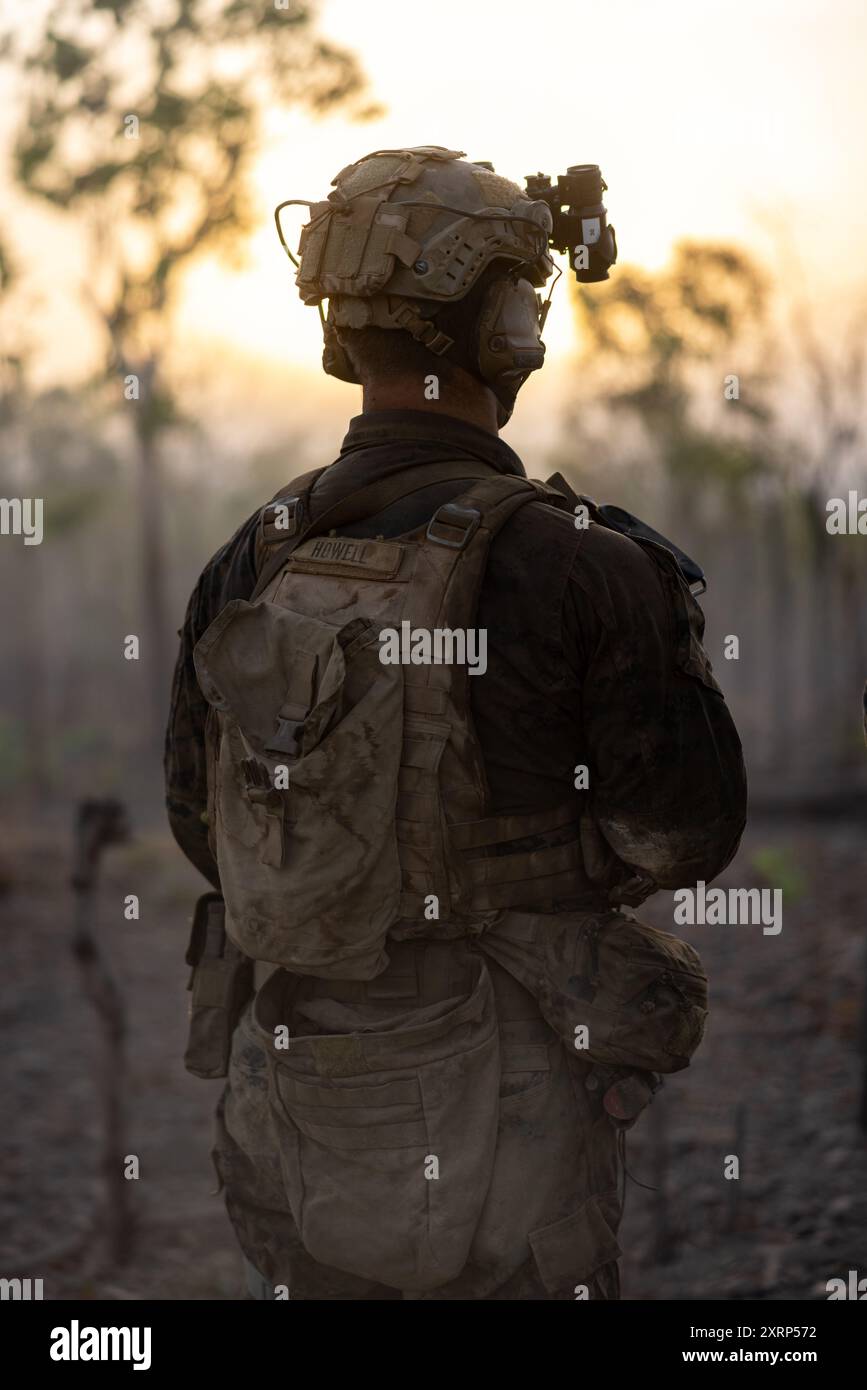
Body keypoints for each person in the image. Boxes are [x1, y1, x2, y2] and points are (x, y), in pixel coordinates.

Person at [165, 147, 747, 1300]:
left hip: (293, 1107)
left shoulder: (254, 552)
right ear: (503, 338)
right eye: (522, 302)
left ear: (342, 335)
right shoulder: (583, 564)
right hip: (510, 1132)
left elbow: (201, 828)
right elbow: (685, 835)